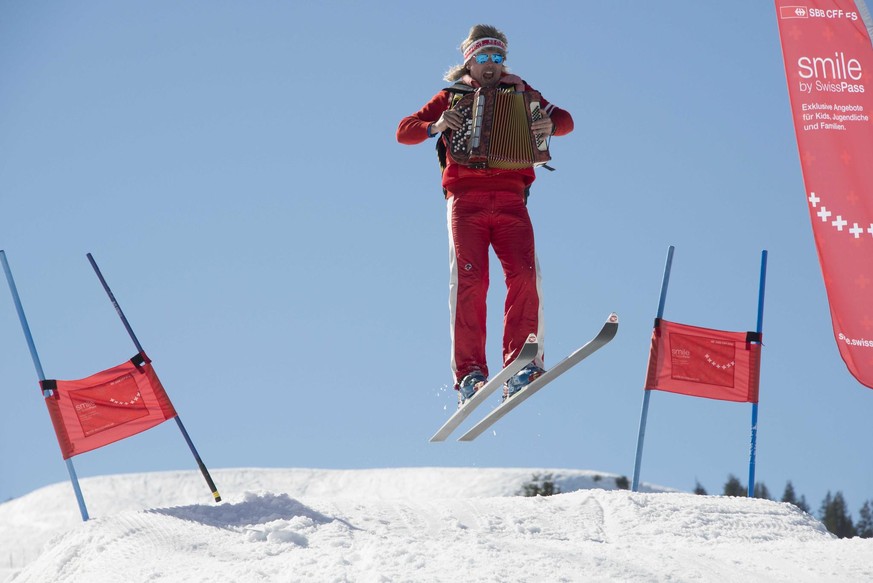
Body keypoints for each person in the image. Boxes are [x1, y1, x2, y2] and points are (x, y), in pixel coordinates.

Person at [396, 24, 574, 406]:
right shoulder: (451, 96)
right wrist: (437, 125)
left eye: (497, 58)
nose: (491, 65)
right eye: (483, 58)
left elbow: (566, 120)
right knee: (470, 283)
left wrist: (551, 124)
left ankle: (523, 363)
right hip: (466, 201)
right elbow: (404, 131)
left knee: (526, 276)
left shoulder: (525, 94)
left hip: (512, 200)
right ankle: (470, 374)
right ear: (469, 63)